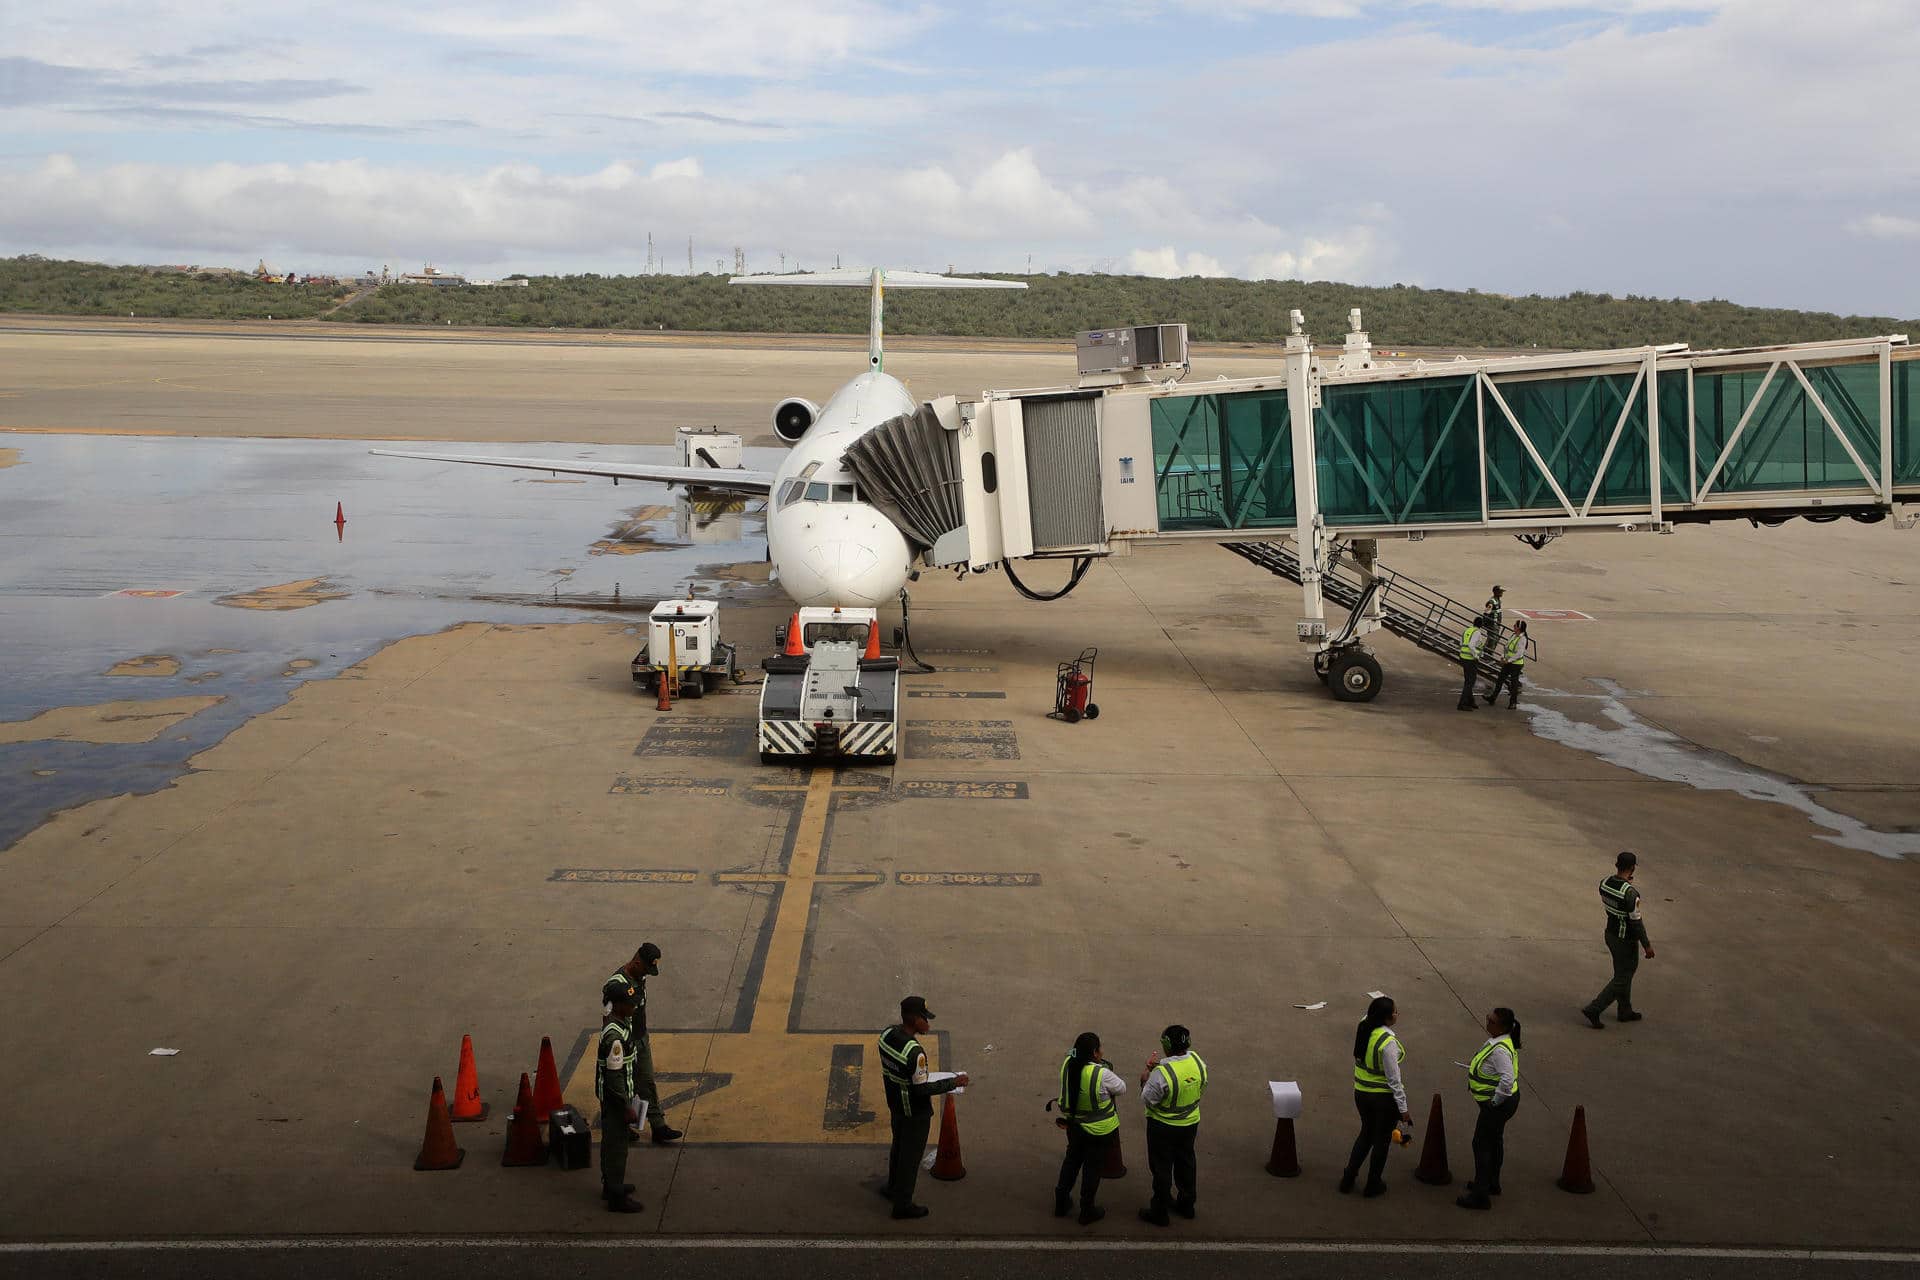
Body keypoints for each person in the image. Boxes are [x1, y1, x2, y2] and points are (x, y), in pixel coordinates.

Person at [875, 995, 967, 1220]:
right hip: (914, 1112)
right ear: (915, 1020)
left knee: (898, 1146)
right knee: (910, 1157)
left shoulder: (886, 1035)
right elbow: (921, 1089)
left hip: (895, 1104)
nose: (928, 1023)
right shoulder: (915, 1054)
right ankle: (903, 1204)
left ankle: (892, 1187)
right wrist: (953, 1082)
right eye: (925, 1018)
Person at [602, 942, 683, 1143]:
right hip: (623, 1041)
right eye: (646, 968)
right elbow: (607, 1013)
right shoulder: (617, 984)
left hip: (640, 1038)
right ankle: (618, 1125)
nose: (648, 972)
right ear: (637, 962)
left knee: (646, 1082)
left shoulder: (640, 975)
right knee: (619, 1084)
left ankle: (658, 1126)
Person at [1340, 996, 1410, 1197]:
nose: (1397, 1014)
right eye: (1395, 1012)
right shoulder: (1387, 1042)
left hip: (1361, 1093)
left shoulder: (1364, 1025)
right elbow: (1394, 1080)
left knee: (1366, 1134)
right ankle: (1373, 1183)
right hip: (1382, 1099)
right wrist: (1403, 1109)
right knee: (1381, 1141)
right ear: (1387, 1018)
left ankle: (1348, 1178)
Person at [1138, 1024, 1208, 1226]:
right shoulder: (1197, 1062)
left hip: (1162, 1127)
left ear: (1166, 1044)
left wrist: (1145, 1079)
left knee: (1161, 1168)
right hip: (1189, 1124)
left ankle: (1159, 1210)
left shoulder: (1161, 1073)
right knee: (1186, 1163)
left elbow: (1148, 1099)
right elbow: (1199, 1085)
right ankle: (1187, 1205)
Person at [1054, 1032, 1126, 1225]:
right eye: (1100, 1048)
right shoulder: (1101, 1074)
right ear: (1094, 1053)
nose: (1102, 1051)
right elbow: (1122, 1088)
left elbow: (1072, 1052)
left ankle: (1061, 1201)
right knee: (1092, 1169)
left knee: (1072, 1161)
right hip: (1099, 1131)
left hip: (1074, 1127)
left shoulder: (1068, 1064)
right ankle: (1087, 1210)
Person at [1456, 1008, 1522, 1210]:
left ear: (1502, 1027)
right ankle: (1491, 1182)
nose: (1487, 1022)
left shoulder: (1501, 1048)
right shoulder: (1499, 1041)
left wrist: (1495, 1102)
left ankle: (1480, 1195)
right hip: (1502, 1104)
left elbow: (1507, 1079)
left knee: (1481, 1145)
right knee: (1494, 1141)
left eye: (1491, 1021)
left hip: (1497, 1105)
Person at [1582, 851, 1655, 1028]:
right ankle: (1595, 1008)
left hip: (1611, 934)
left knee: (1622, 973)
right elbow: (1636, 923)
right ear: (1632, 868)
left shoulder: (1604, 883)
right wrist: (1647, 945)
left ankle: (1624, 1009)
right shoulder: (1630, 893)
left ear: (1616, 865)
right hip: (1625, 939)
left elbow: (1615, 895)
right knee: (1624, 976)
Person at [595, 989, 645, 1213]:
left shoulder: (620, 1023)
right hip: (616, 1102)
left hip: (615, 1099)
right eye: (630, 1004)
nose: (634, 1007)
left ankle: (610, 1186)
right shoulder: (615, 1037)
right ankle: (616, 1197)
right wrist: (626, 1106)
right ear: (618, 1005)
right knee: (617, 1147)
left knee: (611, 1143)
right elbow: (614, 1077)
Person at [1483, 619, 1530, 708]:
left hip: (1516, 664)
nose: (1513, 626)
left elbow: (1519, 654)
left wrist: (1508, 660)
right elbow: (1507, 647)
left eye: (1515, 625)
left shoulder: (1522, 639)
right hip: (1508, 662)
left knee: (1513, 683)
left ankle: (1513, 702)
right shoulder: (1513, 636)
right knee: (1500, 680)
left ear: (1518, 628)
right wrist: (1503, 656)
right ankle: (1492, 698)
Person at [1457, 615, 1491, 711]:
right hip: (1470, 659)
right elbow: (1471, 645)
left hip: (1463, 657)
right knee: (1470, 682)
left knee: (1468, 680)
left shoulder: (1467, 630)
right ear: (1481, 625)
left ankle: (1470, 701)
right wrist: (1476, 655)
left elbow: (1461, 643)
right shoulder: (1477, 633)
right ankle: (1462, 704)